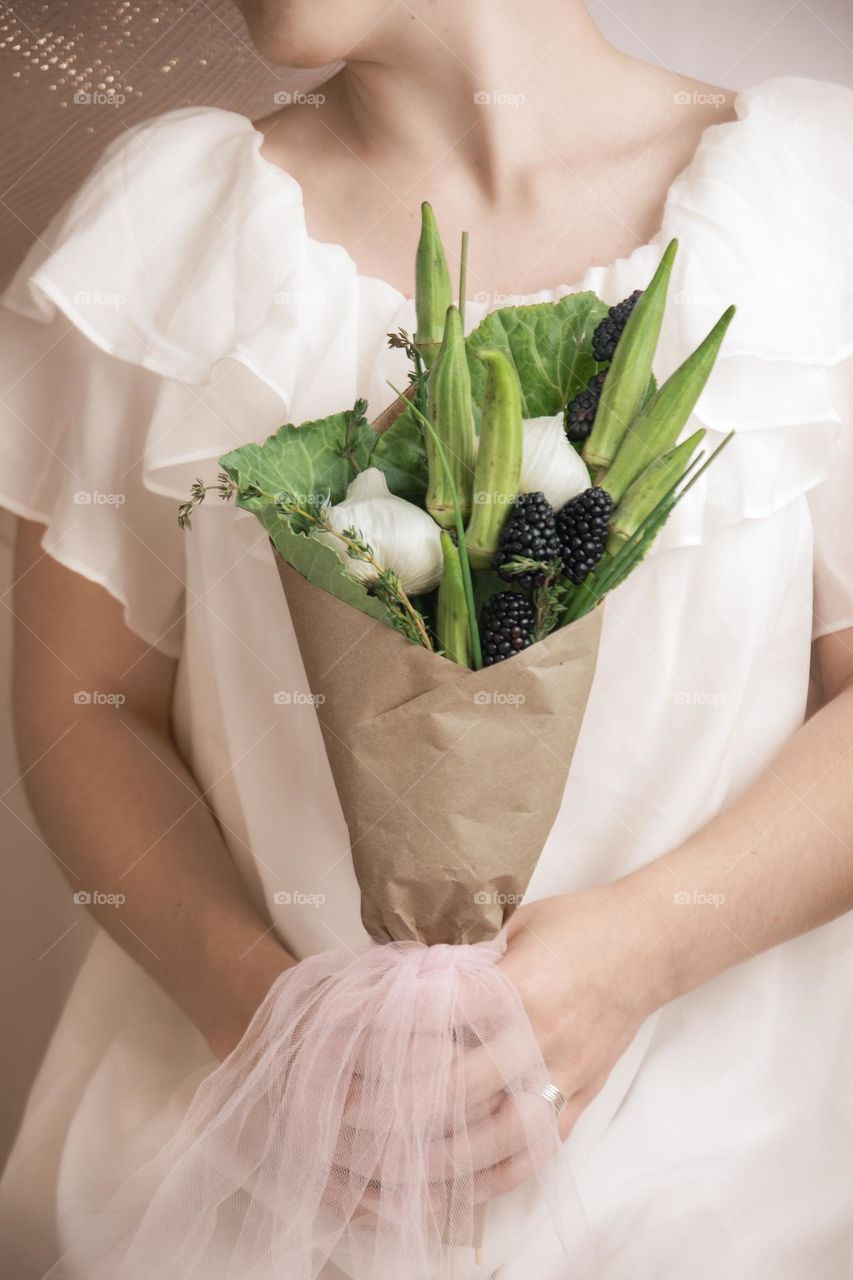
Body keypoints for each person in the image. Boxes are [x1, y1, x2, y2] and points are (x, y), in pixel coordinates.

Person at [1, 1, 853, 1276]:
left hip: (730, 1167)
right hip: (250, 1174)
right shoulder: (174, 235)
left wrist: (639, 955)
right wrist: (271, 1020)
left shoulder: (814, 206)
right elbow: (86, 707)